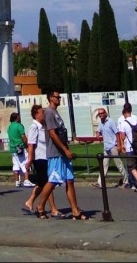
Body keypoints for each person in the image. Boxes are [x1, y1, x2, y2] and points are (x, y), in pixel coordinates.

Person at [35, 90, 88, 220]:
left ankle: (75, 210)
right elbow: (52, 133)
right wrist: (65, 150)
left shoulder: (56, 113)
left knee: (70, 180)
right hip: (56, 152)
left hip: (63, 151)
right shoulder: (48, 112)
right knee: (53, 180)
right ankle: (40, 206)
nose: (59, 98)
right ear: (50, 98)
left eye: (59, 96)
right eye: (56, 97)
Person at [24, 103, 60, 217]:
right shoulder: (34, 127)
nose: (43, 114)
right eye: (41, 112)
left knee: (43, 183)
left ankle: (30, 201)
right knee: (47, 183)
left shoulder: (43, 126)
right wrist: (30, 160)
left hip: (46, 157)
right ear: (36, 115)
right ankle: (52, 209)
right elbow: (30, 145)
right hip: (39, 158)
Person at [95, 107, 129, 189]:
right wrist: (97, 133)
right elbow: (99, 130)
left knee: (119, 165)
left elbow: (117, 133)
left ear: (105, 113)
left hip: (113, 146)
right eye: (99, 114)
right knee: (104, 165)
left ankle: (126, 181)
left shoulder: (111, 122)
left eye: (102, 113)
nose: (100, 115)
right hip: (106, 147)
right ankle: (100, 182)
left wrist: (119, 145)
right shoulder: (101, 123)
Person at [117, 102, 137, 193]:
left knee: (132, 167)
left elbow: (122, 136)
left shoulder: (124, 122)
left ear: (124, 112)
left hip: (130, 147)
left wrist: (122, 145)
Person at [6, 111, 30, 187]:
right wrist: (27, 146)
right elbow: (23, 137)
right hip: (20, 147)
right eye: (19, 117)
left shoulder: (9, 127)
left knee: (16, 165)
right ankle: (26, 180)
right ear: (16, 118)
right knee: (24, 163)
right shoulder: (19, 126)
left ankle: (17, 181)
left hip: (13, 148)